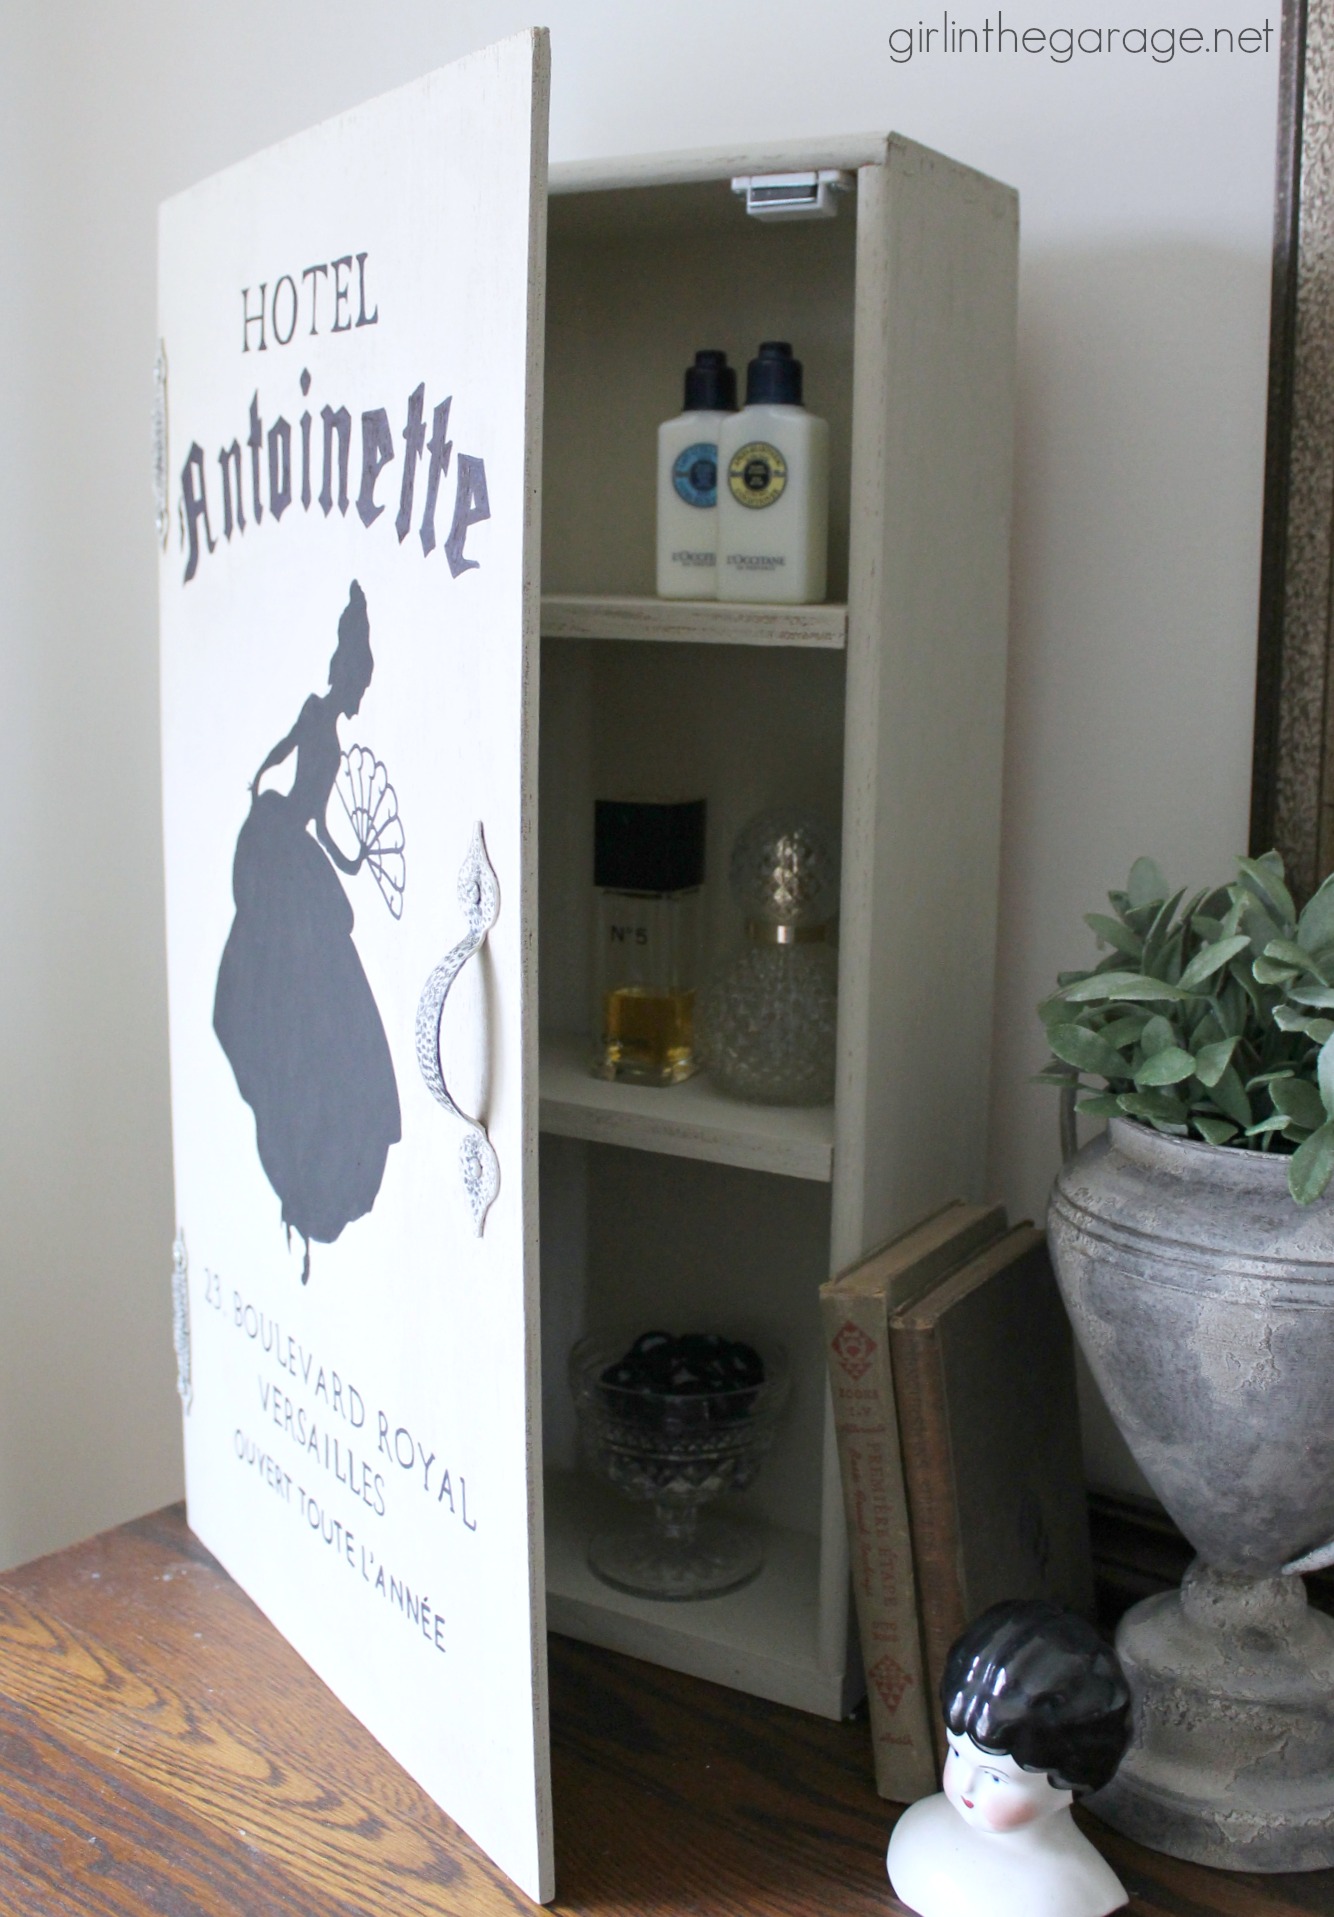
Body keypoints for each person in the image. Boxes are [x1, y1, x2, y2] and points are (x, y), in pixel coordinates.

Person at [213, 579, 401, 1282]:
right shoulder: (317, 714)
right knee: (287, 1007)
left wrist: (356, 856)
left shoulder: (340, 734)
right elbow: (287, 761)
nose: (357, 694)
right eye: (357, 680)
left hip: (304, 859)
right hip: (279, 854)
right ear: (344, 673)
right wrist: (261, 784)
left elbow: (326, 823)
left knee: (331, 1025)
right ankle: (302, 1167)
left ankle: (319, 1177)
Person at [886, 1601, 1131, 1917]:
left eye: (995, 1776)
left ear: (1071, 1782)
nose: (966, 1784)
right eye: (957, 1753)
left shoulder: (1071, 1898)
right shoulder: (914, 1836)